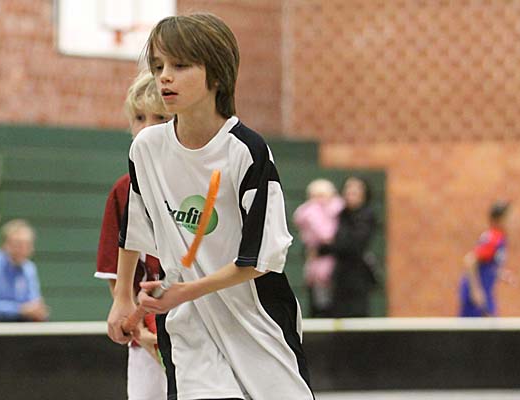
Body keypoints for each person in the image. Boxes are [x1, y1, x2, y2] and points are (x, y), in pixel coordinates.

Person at [107, 13, 314, 400]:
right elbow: (134, 228)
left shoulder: (246, 151)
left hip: (255, 319)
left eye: (180, 65)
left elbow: (260, 259)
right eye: (158, 66)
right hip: (188, 326)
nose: (164, 77)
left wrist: (187, 291)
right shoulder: (146, 150)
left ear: (216, 75)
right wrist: (122, 298)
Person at [95, 70, 171, 400]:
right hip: (147, 335)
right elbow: (116, 274)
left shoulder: (201, 182)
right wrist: (138, 327)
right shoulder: (123, 191)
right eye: (139, 118)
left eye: (160, 118)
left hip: (198, 329)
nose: (147, 128)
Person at [318, 176, 378, 318]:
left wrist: (327, 248)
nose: (351, 192)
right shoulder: (339, 214)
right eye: (348, 188)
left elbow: (353, 245)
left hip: (356, 278)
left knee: (355, 315)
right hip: (335, 277)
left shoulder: (366, 215)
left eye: (356, 189)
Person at [0, 219, 49, 322]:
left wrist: (37, 309)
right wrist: (20, 309)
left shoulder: (29, 268)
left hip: (22, 322)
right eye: (18, 244)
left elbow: (33, 300)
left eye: (27, 245)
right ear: (5, 244)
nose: (23, 250)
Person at [293, 179, 344, 317]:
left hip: (338, 266)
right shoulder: (309, 212)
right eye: (314, 196)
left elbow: (328, 236)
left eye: (322, 195)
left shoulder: (339, 211)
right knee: (320, 303)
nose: (318, 200)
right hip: (316, 266)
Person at [459, 201, 512, 317]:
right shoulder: (493, 238)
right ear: (499, 219)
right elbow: (470, 261)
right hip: (477, 294)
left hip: (486, 291)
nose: (512, 220)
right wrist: (475, 290)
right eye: (508, 217)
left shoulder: (500, 238)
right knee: (484, 325)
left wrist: (501, 274)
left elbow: (488, 264)